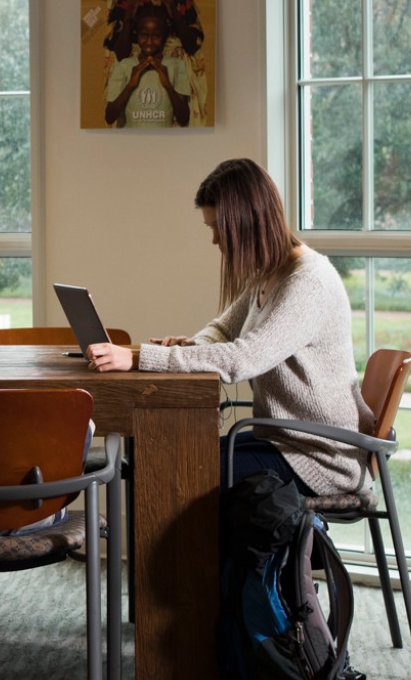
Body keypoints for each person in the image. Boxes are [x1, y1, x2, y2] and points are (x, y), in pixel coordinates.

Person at [86, 158, 371, 496]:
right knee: (165, 460)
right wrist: (191, 347)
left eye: (217, 227)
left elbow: (243, 358)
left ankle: (200, 552)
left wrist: (139, 358)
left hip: (320, 457)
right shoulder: (269, 273)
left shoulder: (308, 283)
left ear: (246, 222)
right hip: (281, 439)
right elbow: (222, 330)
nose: (214, 240)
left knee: (178, 470)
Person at [103, 8, 193, 128]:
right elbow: (109, 117)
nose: (149, 42)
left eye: (156, 36)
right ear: (137, 34)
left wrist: (167, 85)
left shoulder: (176, 65)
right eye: (144, 35)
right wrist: (130, 85)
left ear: (164, 37)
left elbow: (183, 118)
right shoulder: (124, 66)